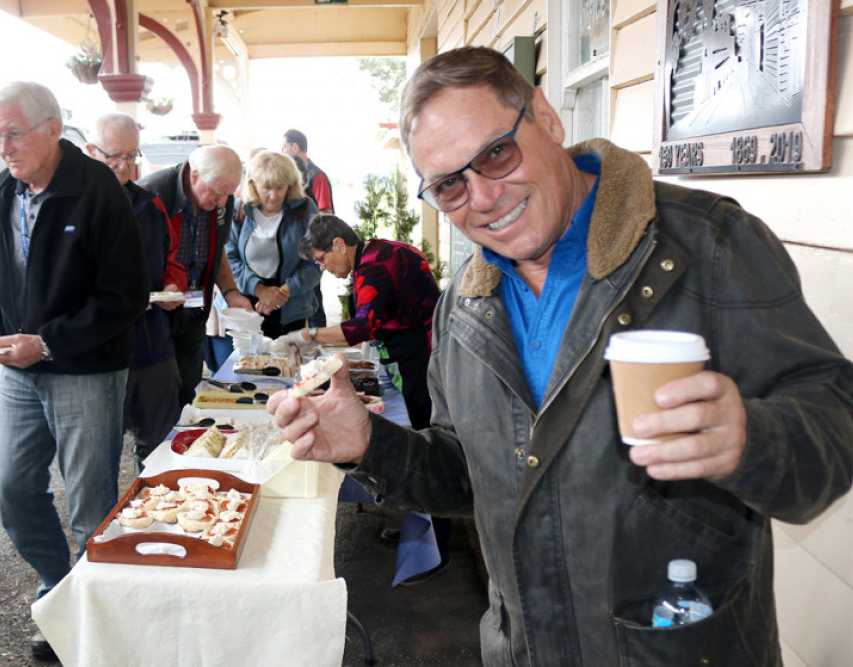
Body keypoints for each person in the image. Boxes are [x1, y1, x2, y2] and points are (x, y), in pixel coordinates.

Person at [268, 46, 853, 665]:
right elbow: (469, 473)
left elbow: (834, 423)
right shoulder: (464, 307)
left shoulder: (704, 244)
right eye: (448, 186)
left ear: (546, 119)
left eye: (496, 153)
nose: (484, 197)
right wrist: (369, 444)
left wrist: (750, 439)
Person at [0, 82, 148, 661]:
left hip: (83, 371)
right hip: (15, 371)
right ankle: (60, 587)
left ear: (52, 128)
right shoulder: (0, 192)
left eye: (13, 133)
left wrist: (46, 344)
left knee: (91, 507)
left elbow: (125, 298)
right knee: (15, 494)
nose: (4, 146)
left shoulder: (98, 193)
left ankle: (99, 617)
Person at [278, 214, 451, 584]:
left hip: (422, 354)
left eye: (323, 260)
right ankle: (419, 526)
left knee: (426, 439)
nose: (324, 269)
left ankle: (434, 548)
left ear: (340, 245)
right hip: (415, 350)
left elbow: (362, 327)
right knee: (422, 434)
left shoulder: (374, 265)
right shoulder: (375, 254)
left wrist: (306, 335)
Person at [87, 112, 185, 472]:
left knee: (161, 446)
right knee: (100, 456)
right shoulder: (75, 204)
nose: (124, 165)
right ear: (90, 151)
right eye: (114, 155)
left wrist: (174, 285)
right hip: (100, 349)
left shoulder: (150, 203)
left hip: (152, 343)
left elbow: (171, 258)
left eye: (131, 156)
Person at [139, 146, 252, 407]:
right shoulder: (152, 193)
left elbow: (218, 250)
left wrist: (231, 292)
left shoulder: (221, 200)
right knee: (156, 402)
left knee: (188, 394)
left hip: (192, 313)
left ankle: (186, 442)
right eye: (217, 192)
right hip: (153, 318)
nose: (223, 201)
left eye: (229, 194)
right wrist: (157, 292)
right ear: (194, 176)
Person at [226, 150, 321, 339]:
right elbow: (229, 260)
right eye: (266, 187)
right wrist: (259, 290)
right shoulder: (238, 210)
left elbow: (316, 261)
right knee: (250, 364)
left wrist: (282, 292)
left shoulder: (305, 209)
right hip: (248, 302)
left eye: (280, 187)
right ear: (252, 185)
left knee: (290, 362)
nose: (273, 195)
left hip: (292, 301)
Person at [282, 129, 332, 328]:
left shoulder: (317, 175)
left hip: (313, 251)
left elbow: (325, 214)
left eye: (284, 146)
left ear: (295, 147)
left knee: (314, 302)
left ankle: (318, 340)